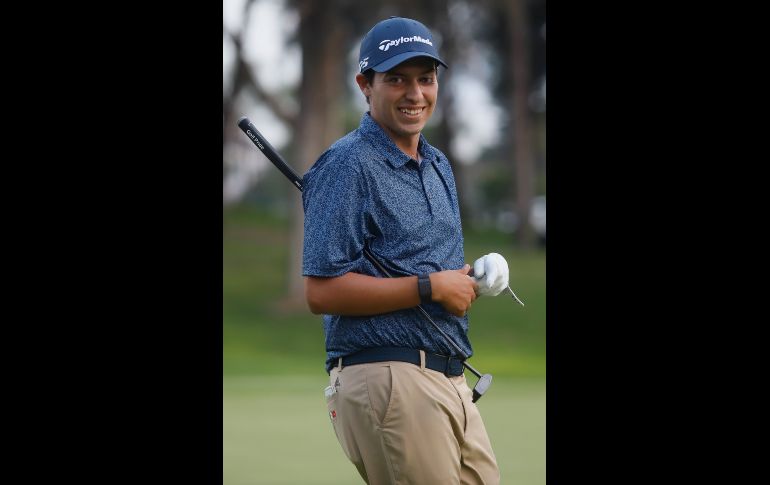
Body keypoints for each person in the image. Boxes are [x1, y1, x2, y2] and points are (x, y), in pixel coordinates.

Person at [302, 16, 508, 485]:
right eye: (396, 79)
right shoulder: (348, 164)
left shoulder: (437, 164)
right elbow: (322, 292)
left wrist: (467, 276)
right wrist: (430, 286)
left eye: (425, 79)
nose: (414, 94)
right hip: (388, 377)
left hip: (450, 378)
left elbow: (428, 270)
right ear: (365, 85)